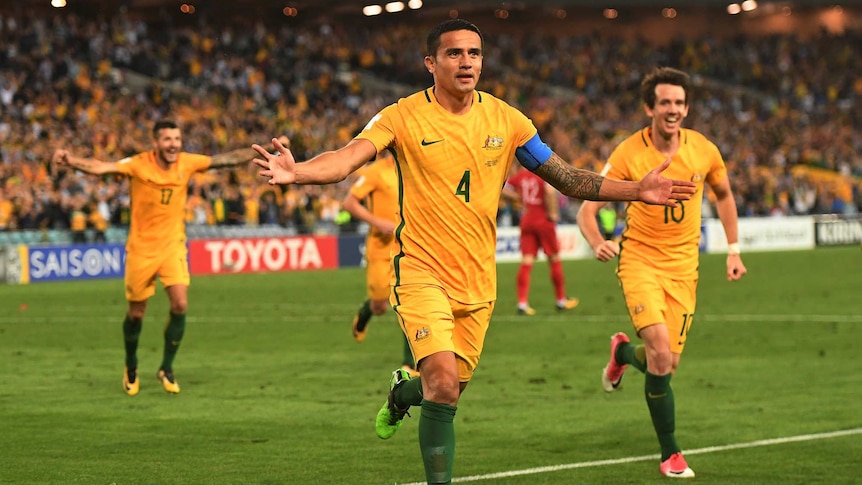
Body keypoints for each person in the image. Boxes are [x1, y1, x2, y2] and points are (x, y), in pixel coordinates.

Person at [252, 20, 695, 485]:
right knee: (442, 385)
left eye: (475, 53)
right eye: (454, 53)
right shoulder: (401, 116)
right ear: (431, 63)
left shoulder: (509, 122)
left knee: (446, 393)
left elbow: (566, 177)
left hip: (479, 281)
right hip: (422, 271)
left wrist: (634, 190)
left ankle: (402, 395)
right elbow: (346, 158)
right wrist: (298, 172)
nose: (466, 62)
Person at [576, 67, 748, 478]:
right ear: (649, 107)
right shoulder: (628, 154)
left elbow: (724, 196)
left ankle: (620, 354)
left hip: (684, 267)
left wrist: (733, 250)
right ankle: (671, 453)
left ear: (686, 108)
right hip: (639, 260)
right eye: (664, 102)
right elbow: (588, 207)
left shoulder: (704, 150)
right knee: (657, 347)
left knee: (665, 363)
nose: (672, 109)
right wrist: (597, 240)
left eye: (678, 103)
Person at [52, 120, 287, 396]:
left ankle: (166, 367)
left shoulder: (187, 162)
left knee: (180, 304)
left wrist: (268, 151)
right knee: (136, 314)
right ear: (156, 143)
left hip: (173, 246)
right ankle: (131, 364)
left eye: (177, 138)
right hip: (141, 249)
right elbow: (101, 167)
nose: (173, 144)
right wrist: (71, 161)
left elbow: (226, 160)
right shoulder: (138, 164)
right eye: (167, 139)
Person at [343, 150, 419, 377]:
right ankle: (365, 313)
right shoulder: (375, 172)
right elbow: (349, 202)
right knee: (380, 305)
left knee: (409, 302)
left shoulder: (415, 170)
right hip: (380, 246)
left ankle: (410, 364)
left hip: (408, 246)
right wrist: (377, 223)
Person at [502, 164, 579, 315]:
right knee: (554, 258)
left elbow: (502, 188)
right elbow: (549, 192)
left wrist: (518, 198)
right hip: (543, 220)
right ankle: (561, 300)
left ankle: (522, 303)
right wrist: (554, 213)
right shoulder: (543, 175)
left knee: (526, 261)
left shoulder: (520, 177)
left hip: (527, 219)